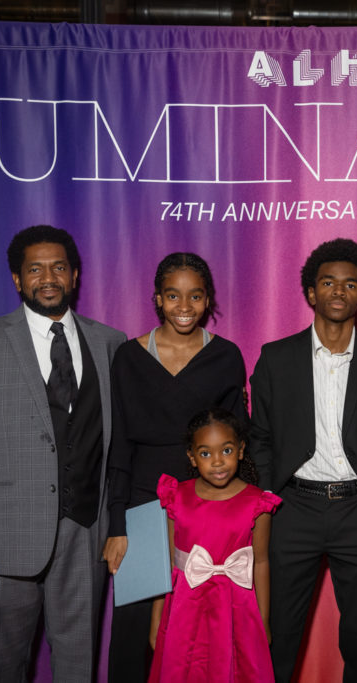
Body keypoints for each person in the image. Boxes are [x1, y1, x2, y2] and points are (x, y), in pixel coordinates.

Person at [0, 225, 127, 682]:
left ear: (75, 275)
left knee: (78, 669)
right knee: (4, 668)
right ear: (18, 280)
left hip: (85, 537)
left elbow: (119, 446)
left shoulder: (110, 344)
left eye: (58, 267)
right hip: (3, 544)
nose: (48, 277)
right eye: (35, 269)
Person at [249, 237, 357, 683]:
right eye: (328, 282)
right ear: (310, 292)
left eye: (351, 284)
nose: (339, 291)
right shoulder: (275, 358)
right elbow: (258, 436)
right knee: (277, 633)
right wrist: (267, 499)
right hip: (292, 509)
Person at [103, 252, 248, 680]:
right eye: (173, 295)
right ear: (158, 299)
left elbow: (238, 444)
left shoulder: (226, 357)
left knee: (197, 631)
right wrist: (117, 525)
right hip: (145, 508)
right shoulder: (129, 358)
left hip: (205, 509)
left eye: (195, 296)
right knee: (134, 630)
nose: (184, 306)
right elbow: (120, 445)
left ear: (208, 301)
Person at [149, 408, 281, 682]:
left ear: (241, 451)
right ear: (192, 457)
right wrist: (157, 619)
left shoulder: (258, 503)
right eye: (206, 453)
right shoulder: (176, 497)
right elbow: (168, 562)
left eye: (227, 451)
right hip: (185, 606)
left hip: (237, 609)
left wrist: (264, 621)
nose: (218, 462)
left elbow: (262, 562)